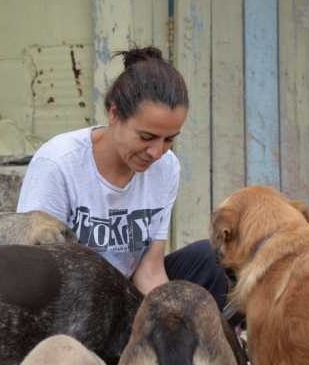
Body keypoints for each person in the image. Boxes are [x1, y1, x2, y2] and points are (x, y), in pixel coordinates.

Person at [17, 45, 229, 311]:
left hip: (125, 298)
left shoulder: (166, 167)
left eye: (169, 140)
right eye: (146, 137)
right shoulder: (59, 163)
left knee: (208, 259)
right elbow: (35, 276)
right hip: (67, 301)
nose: (156, 152)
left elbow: (149, 270)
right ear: (115, 114)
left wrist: (174, 322)